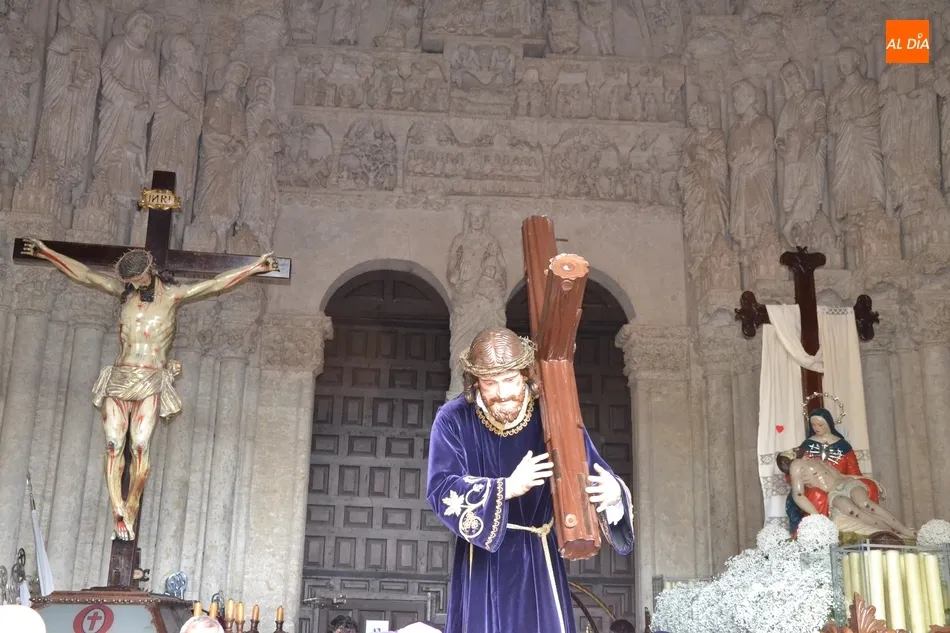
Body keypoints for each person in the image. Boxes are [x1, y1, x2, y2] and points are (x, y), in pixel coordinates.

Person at [21, 238, 279, 541]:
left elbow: (215, 285)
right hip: (120, 376)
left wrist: (256, 267)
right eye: (130, 281)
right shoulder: (124, 295)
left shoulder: (172, 296)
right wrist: (46, 252)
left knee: (140, 445)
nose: (135, 284)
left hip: (150, 379)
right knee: (114, 445)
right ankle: (118, 507)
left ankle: (131, 505)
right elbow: (86, 275)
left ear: (149, 269)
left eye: (139, 278)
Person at [426, 328, 634, 633]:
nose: (501, 393)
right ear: (474, 381)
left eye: (510, 379)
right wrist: (506, 487)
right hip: (482, 559)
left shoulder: (552, 412)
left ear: (526, 374)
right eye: (489, 383)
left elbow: (590, 469)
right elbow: (441, 487)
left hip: (539, 554)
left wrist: (614, 494)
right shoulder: (453, 418)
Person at [778, 447, 915, 539]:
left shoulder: (813, 459)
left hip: (847, 483)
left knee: (865, 504)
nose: (792, 449)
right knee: (853, 511)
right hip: (833, 493)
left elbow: (842, 475)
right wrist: (816, 515)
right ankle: (891, 533)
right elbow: (798, 495)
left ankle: (903, 530)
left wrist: (868, 479)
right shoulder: (796, 465)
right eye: (789, 451)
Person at [784, 408, 880, 533]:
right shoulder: (806, 445)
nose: (816, 428)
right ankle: (820, 530)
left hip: (841, 481)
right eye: (813, 425)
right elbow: (792, 472)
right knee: (817, 495)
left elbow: (854, 472)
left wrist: (866, 480)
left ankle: (876, 527)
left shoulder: (843, 446)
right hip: (815, 486)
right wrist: (799, 479)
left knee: (869, 486)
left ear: (829, 424)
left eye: (820, 425)